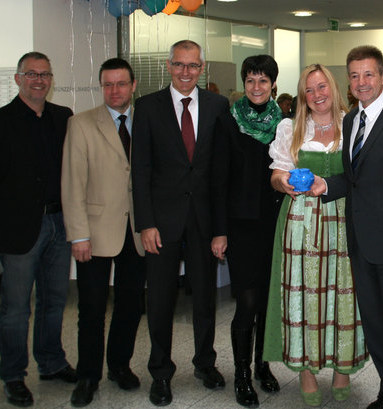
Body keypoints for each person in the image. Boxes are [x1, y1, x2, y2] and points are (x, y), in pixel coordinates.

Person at [310, 46, 383, 409]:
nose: (362, 82)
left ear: (381, 76)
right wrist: (326, 186)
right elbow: (355, 179)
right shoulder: (351, 121)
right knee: (376, 326)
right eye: (355, 75)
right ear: (348, 80)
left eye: (369, 75)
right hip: (360, 243)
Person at [131, 39, 230, 406]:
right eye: (179, 65)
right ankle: (160, 371)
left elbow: (220, 174)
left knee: (205, 297)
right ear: (168, 67)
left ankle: (205, 363)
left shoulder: (219, 106)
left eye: (192, 66)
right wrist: (146, 223)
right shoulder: (147, 107)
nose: (185, 72)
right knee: (160, 300)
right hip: (162, 221)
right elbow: (140, 171)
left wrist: (221, 228)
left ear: (202, 68)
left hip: (204, 221)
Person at [264, 63, 369, 407]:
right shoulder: (290, 127)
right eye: (309, 90)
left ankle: (342, 369)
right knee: (304, 297)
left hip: (344, 221)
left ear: (334, 88)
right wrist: (284, 182)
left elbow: (363, 177)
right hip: (301, 223)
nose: (316, 95)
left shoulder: (352, 124)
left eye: (321, 87)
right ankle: (306, 372)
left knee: (344, 295)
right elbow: (277, 174)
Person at [0, 51, 77, 407]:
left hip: (59, 223)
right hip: (19, 229)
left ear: (51, 79)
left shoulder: (63, 118)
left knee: (54, 301)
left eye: (45, 74)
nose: (39, 80)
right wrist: (10, 210)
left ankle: (51, 363)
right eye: (31, 74)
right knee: (16, 308)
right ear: (18, 78)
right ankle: (13, 375)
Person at [61, 58, 146, 407]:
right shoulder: (80, 124)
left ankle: (119, 366)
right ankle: (88, 376)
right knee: (92, 309)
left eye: (121, 84)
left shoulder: (148, 123)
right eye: (108, 84)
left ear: (133, 85)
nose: (115, 91)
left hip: (137, 231)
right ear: (101, 86)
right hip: (94, 233)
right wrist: (78, 235)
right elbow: (72, 183)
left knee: (129, 305)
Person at [211, 55, 284, 408]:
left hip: (275, 222)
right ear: (244, 83)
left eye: (263, 81)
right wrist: (219, 231)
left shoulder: (283, 123)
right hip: (240, 227)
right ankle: (241, 374)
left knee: (269, 301)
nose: (257, 87)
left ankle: (262, 365)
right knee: (248, 300)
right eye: (251, 80)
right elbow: (218, 180)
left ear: (273, 85)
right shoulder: (227, 121)